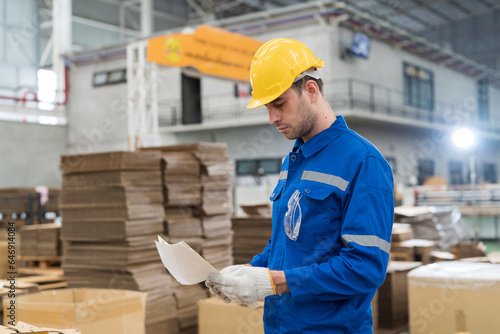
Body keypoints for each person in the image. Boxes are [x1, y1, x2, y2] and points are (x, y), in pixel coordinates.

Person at [206, 38, 394, 334]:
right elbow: (286, 245)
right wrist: (248, 272)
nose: (272, 118)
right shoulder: (293, 161)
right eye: (267, 107)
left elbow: (366, 267)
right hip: (281, 326)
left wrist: (275, 282)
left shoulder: (363, 161)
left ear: (310, 90)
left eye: (279, 103)